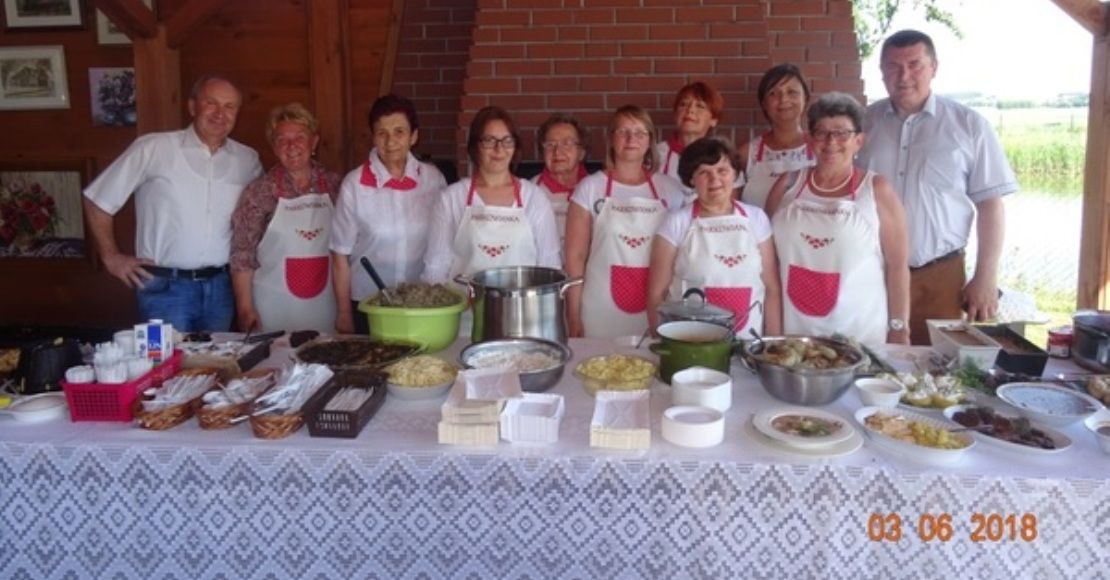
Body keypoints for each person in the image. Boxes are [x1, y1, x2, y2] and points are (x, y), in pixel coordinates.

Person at [856, 29, 1018, 345]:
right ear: (882, 72)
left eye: (915, 65)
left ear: (934, 67)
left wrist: (985, 276)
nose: (904, 76)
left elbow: (990, 205)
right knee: (867, 359)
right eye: (893, 67)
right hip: (871, 273)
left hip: (939, 276)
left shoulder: (969, 126)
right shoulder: (863, 125)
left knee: (937, 364)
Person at [83, 75, 262, 332]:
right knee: (165, 358)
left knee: (217, 356)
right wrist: (111, 257)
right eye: (211, 103)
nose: (220, 113)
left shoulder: (248, 159)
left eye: (229, 106)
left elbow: (257, 220)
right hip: (164, 288)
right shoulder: (154, 148)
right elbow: (98, 200)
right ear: (192, 107)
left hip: (220, 288)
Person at [765, 92, 910, 346]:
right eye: (822, 132)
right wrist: (772, 331)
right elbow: (768, 262)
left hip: (860, 333)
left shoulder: (876, 189)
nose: (831, 141)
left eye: (842, 133)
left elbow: (897, 265)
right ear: (810, 139)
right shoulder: (787, 184)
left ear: (858, 141)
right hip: (794, 332)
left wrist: (899, 328)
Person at [564, 105, 685, 338]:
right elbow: (575, 257)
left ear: (650, 141)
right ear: (611, 139)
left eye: (640, 132)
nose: (631, 139)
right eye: (623, 132)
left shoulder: (670, 190)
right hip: (600, 307)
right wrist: (573, 314)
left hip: (657, 307)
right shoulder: (590, 188)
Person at [331, 94, 447, 334]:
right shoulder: (354, 185)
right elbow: (340, 254)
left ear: (414, 136)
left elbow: (444, 242)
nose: (390, 141)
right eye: (382, 133)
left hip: (419, 302)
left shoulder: (433, 180)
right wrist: (343, 312)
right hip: (369, 303)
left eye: (399, 132)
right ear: (373, 137)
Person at [647, 137, 782, 338]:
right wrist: (660, 341)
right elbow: (656, 293)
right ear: (691, 179)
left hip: (748, 341)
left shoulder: (757, 219)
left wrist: (773, 342)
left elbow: (771, 288)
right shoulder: (676, 223)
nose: (714, 180)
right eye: (704, 172)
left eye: (722, 171)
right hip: (690, 341)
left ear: (735, 174)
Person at [229, 103, 341, 333]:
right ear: (274, 147)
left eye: (300, 137)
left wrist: (346, 311)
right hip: (272, 305)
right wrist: (245, 309)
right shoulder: (259, 192)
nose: (292, 146)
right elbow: (242, 255)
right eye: (282, 140)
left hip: (327, 305)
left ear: (314, 142)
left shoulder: (336, 186)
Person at [421, 106, 560, 283]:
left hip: (520, 300)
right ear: (475, 146)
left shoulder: (535, 198)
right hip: (465, 300)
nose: (499, 149)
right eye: (489, 140)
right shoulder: (451, 199)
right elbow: (436, 267)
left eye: (507, 141)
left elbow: (549, 264)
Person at [737, 64, 815, 209]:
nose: (783, 99)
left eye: (792, 92)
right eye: (773, 93)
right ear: (764, 103)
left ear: (805, 98)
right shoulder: (746, 154)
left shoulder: (821, 149)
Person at [532, 113, 589, 246]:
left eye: (567, 144)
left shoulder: (596, 189)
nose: (557, 152)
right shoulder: (530, 191)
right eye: (550, 145)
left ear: (581, 153)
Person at [655, 81, 726, 189]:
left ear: (714, 120)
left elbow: (731, 197)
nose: (690, 110)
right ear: (675, 114)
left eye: (700, 106)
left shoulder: (724, 157)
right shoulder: (655, 155)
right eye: (683, 104)